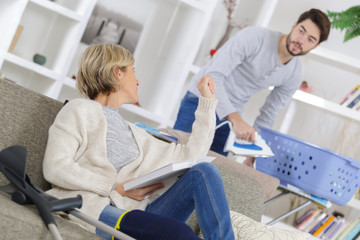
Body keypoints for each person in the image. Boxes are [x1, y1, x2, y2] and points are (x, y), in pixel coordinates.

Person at [42, 43, 235, 240]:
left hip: (140, 213)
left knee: (204, 170)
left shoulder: (135, 133)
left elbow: (193, 157)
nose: (138, 81)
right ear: (117, 72)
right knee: (178, 233)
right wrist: (113, 187)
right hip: (94, 208)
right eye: (132, 71)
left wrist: (207, 103)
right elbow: (55, 167)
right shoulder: (78, 110)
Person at [173, 9, 331, 167]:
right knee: (178, 160)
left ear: (315, 46)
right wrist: (236, 119)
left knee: (208, 170)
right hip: (201, 100)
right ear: (294, 25)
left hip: (229, 120)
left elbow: (269, 114)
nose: (301, 40)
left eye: (310, 39)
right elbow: (213, 76)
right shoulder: (255, 37)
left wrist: (254, 154)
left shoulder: (294, 75)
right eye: (301, 31)